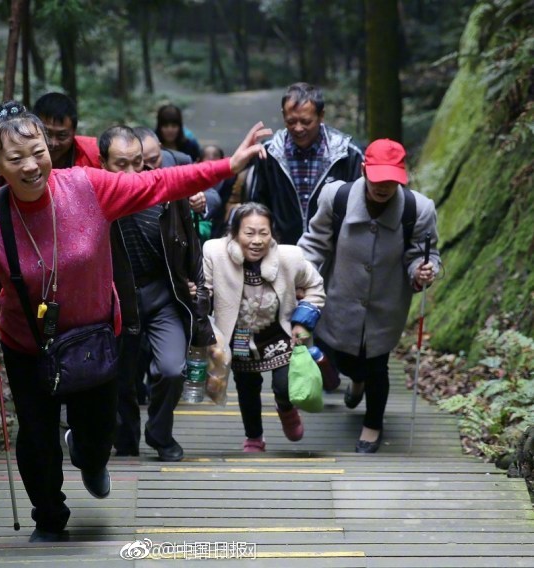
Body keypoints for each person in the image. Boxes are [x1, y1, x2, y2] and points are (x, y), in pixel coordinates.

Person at [0, 101, 271, 540]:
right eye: (15, 158)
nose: (30, 165)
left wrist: (227, 164)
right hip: (29, 347)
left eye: (36, 151)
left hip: (95, 336)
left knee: (99, 436)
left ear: (50, 149)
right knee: (37, 438)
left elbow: (160, 182)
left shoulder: (86, 186)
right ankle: (50, 517)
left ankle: (90, 457)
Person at [298, 138, 440, 454]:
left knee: (376, 365)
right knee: (339, 357)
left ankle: (372, 424)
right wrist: (301, 276)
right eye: (377, 178)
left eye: (391, 180)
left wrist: (422, 271)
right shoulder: (337, 197)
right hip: (340, 300)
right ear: (364, 170)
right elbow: (315, 243)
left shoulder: (419, 209)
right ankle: (355, 380)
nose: (383, 186)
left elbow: (423, 254)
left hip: (385, 306)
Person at [100, 126, 214, 462]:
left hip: (162, 294)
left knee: (171, 369)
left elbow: (191, 246)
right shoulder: (94, 196)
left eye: (138, 162)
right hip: (117, 299)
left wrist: (199, 295)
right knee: (120, 377)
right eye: (121, 164)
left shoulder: (166, 189)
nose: (132, 172)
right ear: (102, 163)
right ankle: (125, 440)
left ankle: (160, 433)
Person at [203, 203, 326, 452]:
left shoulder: (290, 257)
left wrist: (302, 322)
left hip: (279, 331)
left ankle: (286, 408)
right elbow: (204, 292)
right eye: (249, 233)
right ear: (234, 233)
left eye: (264, 233)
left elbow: (315, 286)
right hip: (238, 334)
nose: (257, 241)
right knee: (247, 387)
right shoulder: (215, 253)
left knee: (283, 385)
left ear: (272, 234)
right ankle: (254, 437)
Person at [249, 82, 364, 245]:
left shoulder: (347, 153)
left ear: (321, 116)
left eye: (306, 121)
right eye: (291, 121)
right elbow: (257, 205)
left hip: (333, 253)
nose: (298, 128)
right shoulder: (269, 153)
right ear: (283, 115)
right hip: (281, 251)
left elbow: (360, 207)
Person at [32, 92, 99, 169]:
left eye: (62, 135)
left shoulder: (93, 153)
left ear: (74, 132)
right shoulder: (19, 154)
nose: (53, 143)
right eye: (46, 133)